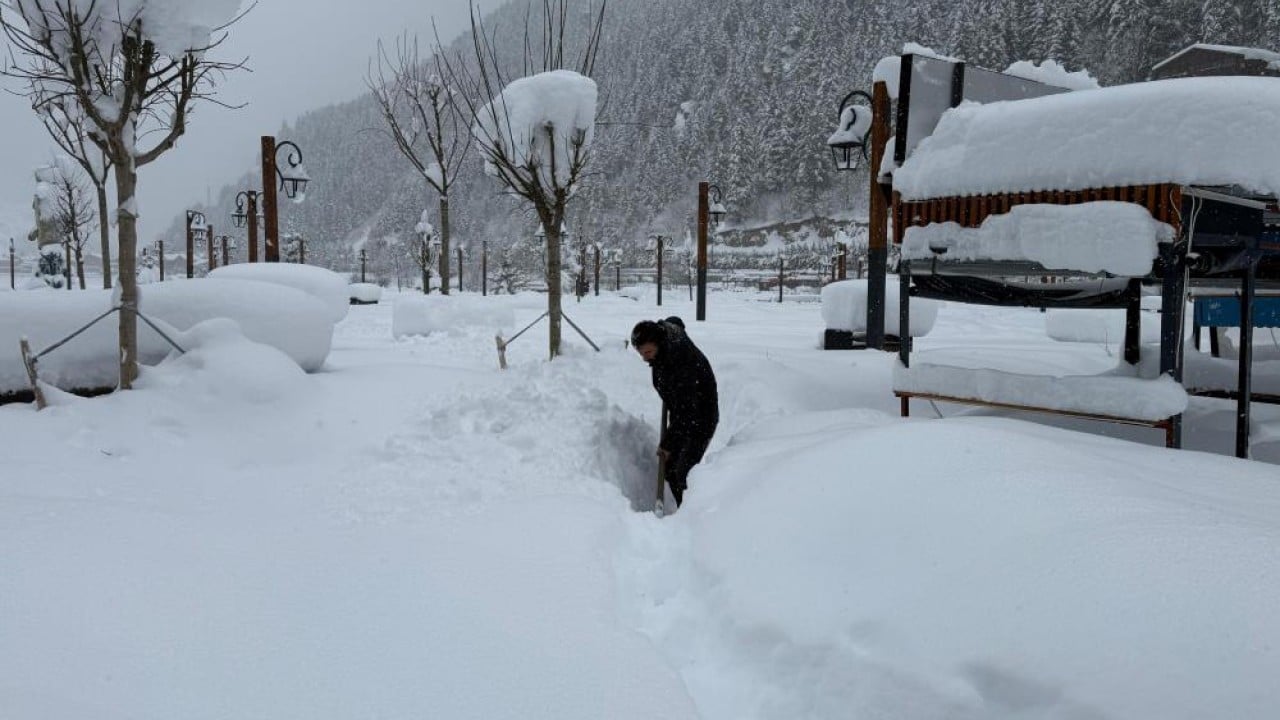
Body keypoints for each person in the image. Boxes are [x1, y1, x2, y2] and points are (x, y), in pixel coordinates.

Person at [631, 316, 718, 507]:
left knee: (683, 473)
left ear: (659, 344)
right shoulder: (667, 338)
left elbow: (687, 414)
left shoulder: (681, 364)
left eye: (648, 352)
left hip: (701, 418)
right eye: (641, 354)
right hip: (682, 412)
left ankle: (693, 516)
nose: (645, 358)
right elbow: (676, 321)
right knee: (670, 468)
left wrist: (668, 444)